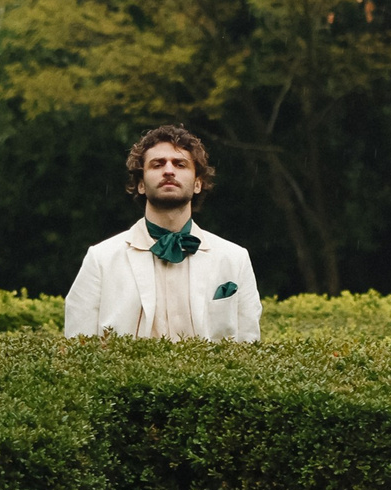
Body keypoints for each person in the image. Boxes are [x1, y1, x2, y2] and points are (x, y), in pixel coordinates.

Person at [64, 124, 262, 341]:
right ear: (140, 184)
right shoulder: (101, 259)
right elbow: (78, 347)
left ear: (197, 183)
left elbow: (248, 346)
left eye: (180, 164)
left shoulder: (235, 259)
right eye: (157, 164)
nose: (169, 170)